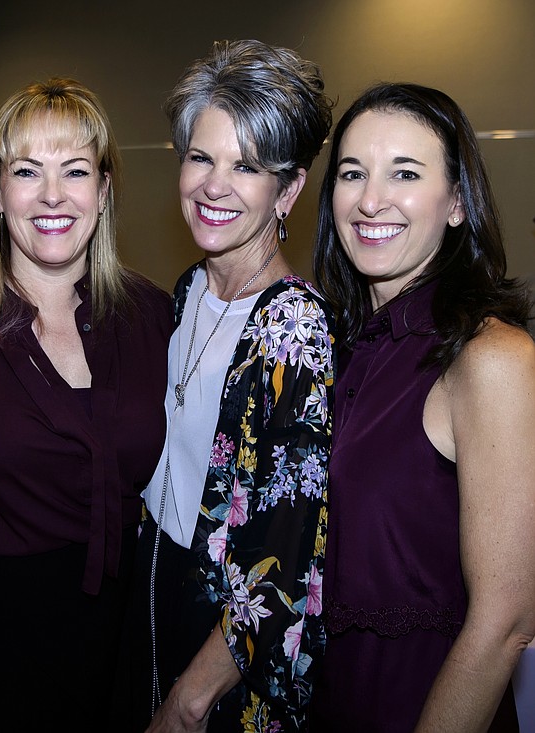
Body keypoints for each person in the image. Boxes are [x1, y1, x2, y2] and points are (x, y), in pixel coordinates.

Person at [0, 78, 172, 730]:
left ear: (103, 191)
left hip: (124, 640)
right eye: (27, 171)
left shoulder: (156, 316)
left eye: (75, 170)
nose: (52, 194)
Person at [121, 40, 336, 732]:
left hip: (223, 647)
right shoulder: (188, 290)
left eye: (246, 166)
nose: (214, 185)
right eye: (200, 157)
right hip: (151, 594)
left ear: (289, 190)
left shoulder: (295, 331)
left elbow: (283, 560)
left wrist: (190, 702)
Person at [310, 82, 535, 732]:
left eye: (404, 173)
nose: (370, 199)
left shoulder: (491, 357)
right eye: (352, 172)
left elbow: (507, 622)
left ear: (458, 202)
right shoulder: (334, 351)